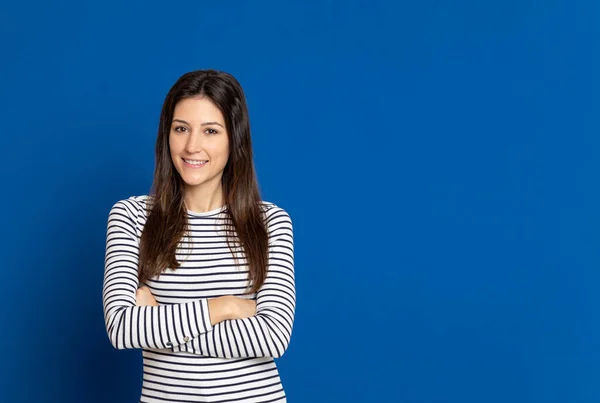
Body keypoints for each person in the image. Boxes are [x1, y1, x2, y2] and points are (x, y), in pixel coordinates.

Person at [102, 69, 295, 402]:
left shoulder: (270, 223)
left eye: (210, 131)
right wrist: (226, 306)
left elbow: (272, 336)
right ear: (167, 134)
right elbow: (121, 328)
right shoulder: (132, 217)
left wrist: (157, 326)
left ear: (234, 139)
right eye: (181, 129)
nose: (193, 146)